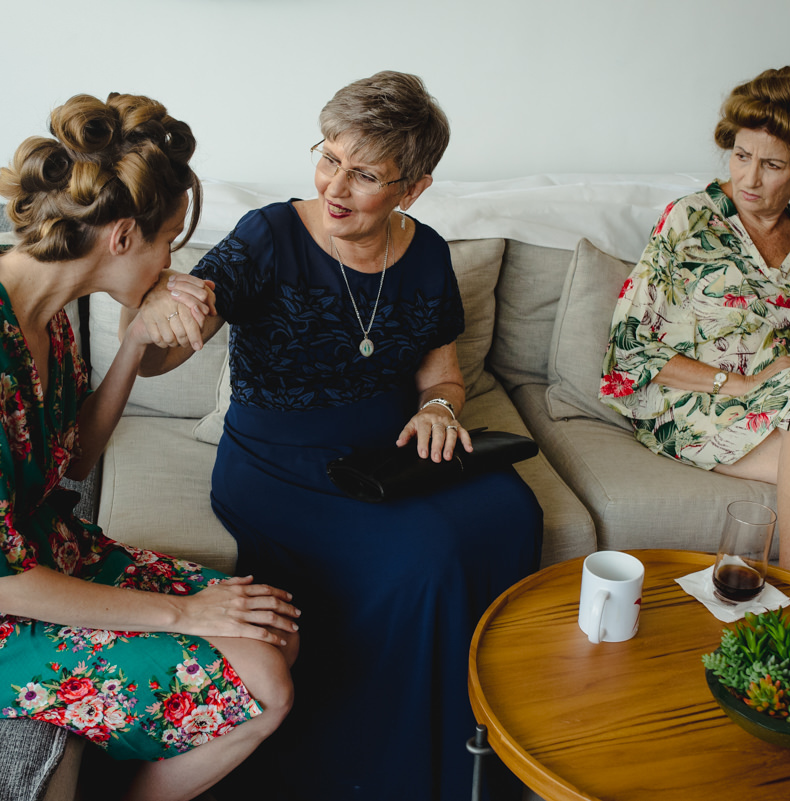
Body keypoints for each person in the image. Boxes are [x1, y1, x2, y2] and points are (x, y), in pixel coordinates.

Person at [0, 92, 299, 801]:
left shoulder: (44, 312)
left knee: (277, 633)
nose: (169, 264)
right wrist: (189, 613)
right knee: (268, 684)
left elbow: (76, 461)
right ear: (122, 236)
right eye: (167, 244)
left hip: (53, 554)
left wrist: (132, 340)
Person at [129, 71, 544, 801]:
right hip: (277, 462)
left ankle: (477, 741)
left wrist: (442, 410)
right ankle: (395, 770)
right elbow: (163, 354)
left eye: (365, 175)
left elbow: (442, 376)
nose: (336, 186)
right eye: (328, 158)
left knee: (514, 512)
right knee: (426, 556)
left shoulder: (428, 253)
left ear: (412, 188)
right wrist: (161, 316)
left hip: (391, 456)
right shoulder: (268, 235)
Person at [600, 66, 790, 603]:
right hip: (693, 402)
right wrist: (743, 385)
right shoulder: (690, 221)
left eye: (772, 164)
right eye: (741, 156)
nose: (749, 179)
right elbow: (628, 348)